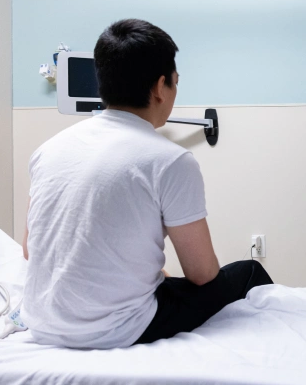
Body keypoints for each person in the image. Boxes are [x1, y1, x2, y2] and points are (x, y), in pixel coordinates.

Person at [21, 18, 272, 349]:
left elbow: (29, 249)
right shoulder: (171, 160)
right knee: (249, 273)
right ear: (159, 87)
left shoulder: (48, 150)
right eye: (175, 83)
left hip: (42, 323)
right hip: (118, 329)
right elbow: (202, 274)